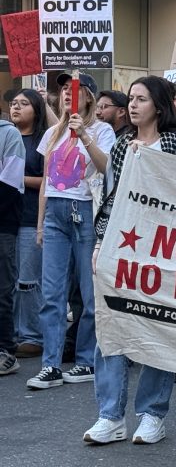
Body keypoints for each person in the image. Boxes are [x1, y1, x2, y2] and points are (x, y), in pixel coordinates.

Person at [83, 76, 176, 445]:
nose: (132, 105)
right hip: (122, 244)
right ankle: (110, 415)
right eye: (130, 98)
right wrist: (101, 242)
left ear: (159, 106)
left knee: (157, 329)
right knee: (111, 328)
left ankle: (151, 414)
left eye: (141, 99)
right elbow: (111, 199)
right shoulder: (119, 145)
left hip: (164, 249)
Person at [27, 74, 116, 390]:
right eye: (63, 89)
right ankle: (50, 365)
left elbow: (107, 169)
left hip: (85, 215)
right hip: (55, 215)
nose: (66, 94)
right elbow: (46, 185)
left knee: (89, 293)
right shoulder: (53, 133)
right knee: (52, 294)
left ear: (88, 97)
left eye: (73, 89)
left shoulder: (102, 130)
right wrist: (40, 223)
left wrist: (85, 136)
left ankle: (85, 360)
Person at [9, 90, 49, 359]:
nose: (16, 108)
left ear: (37, 110)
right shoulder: (6, 137)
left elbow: (49, 179)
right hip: (6, 218)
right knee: (8, 281)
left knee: (28, 280)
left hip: (29, 216)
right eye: (13, 103)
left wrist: (15, 178)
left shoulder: (42, 140)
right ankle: (11, 333)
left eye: (24, 104)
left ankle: (32, 335)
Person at [0, 106, 25, 376]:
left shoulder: (9, 135)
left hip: (3, 222)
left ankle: (5, 350)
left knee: (2, 288)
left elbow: (10, 182)